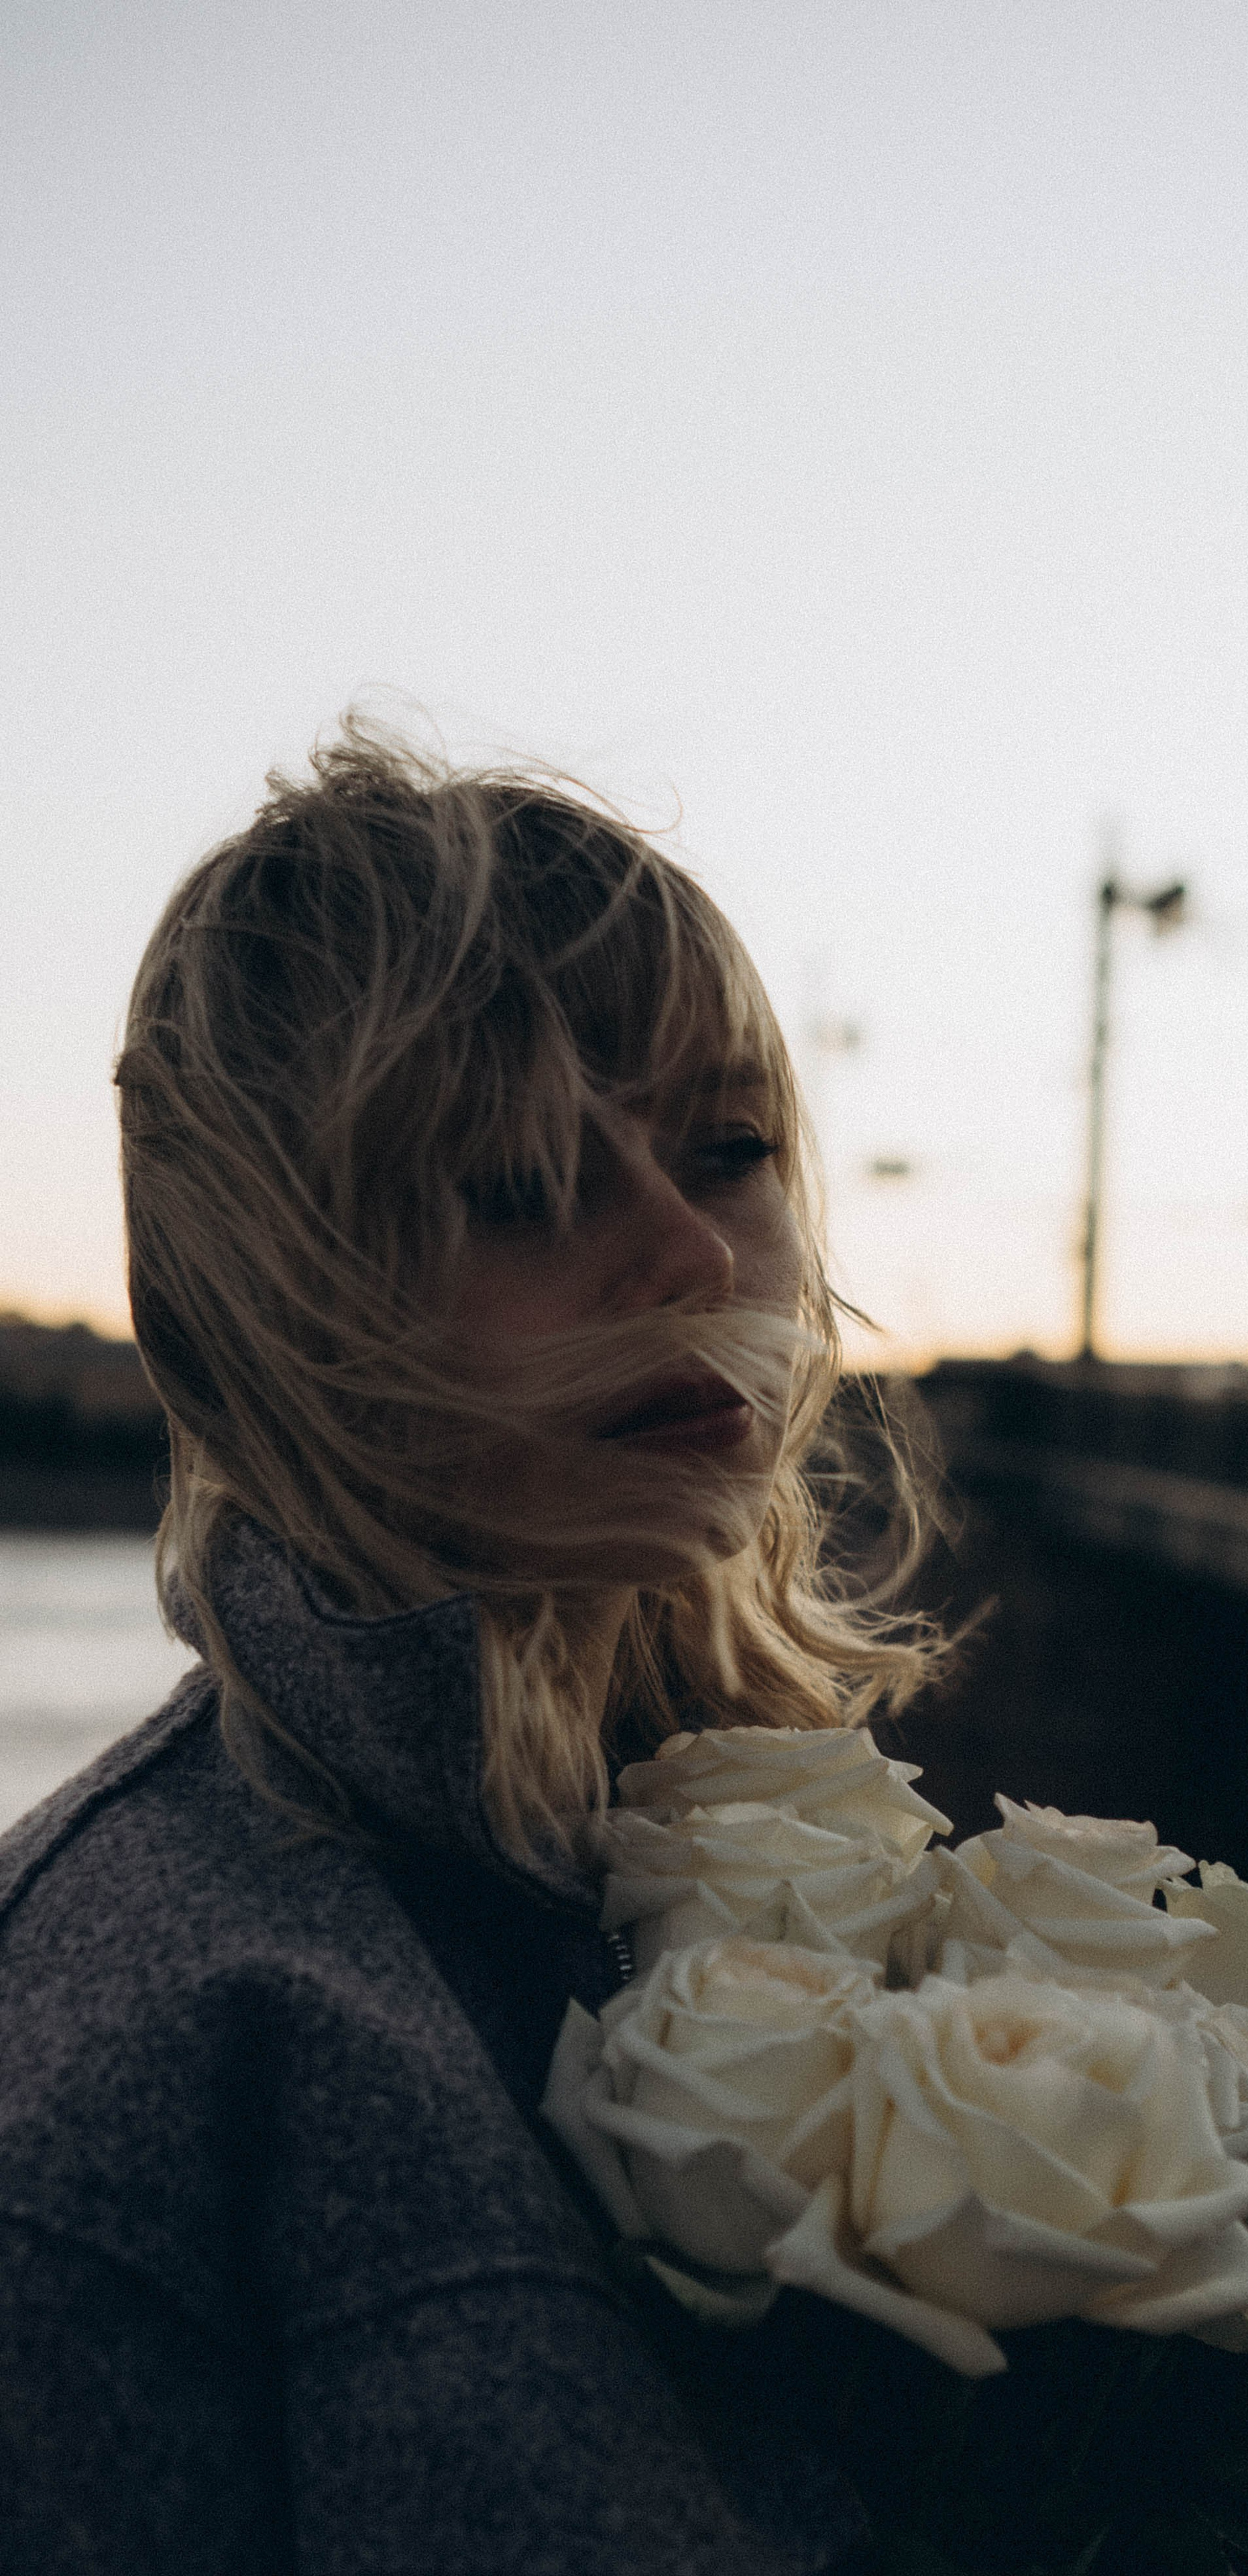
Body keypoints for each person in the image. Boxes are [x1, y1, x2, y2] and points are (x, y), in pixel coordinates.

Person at [0, 718, 950, 2573]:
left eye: (732, 1148)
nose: (689, 1256)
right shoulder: (144, 2044)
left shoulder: (758, 1861)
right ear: (281, 1302)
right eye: (518, 1189)